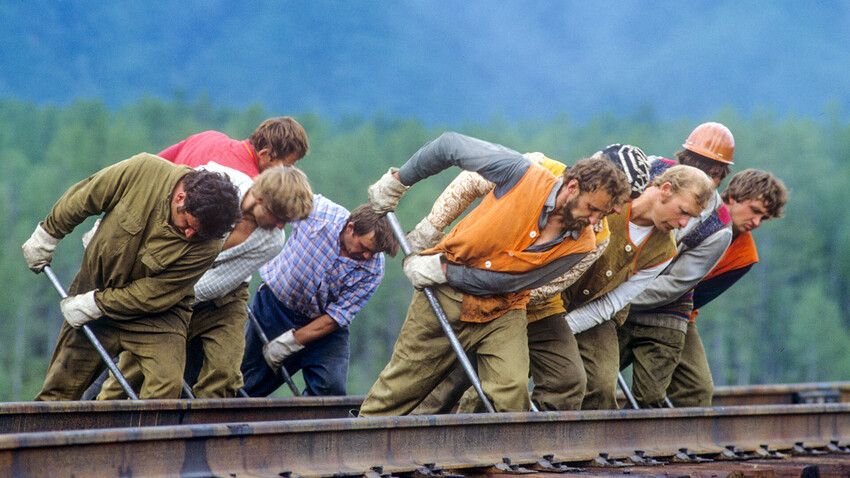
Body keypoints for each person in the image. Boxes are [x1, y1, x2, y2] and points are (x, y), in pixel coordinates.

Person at [358, 132, 631, 415]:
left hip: (504, 307)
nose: (595, 221)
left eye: (603, 215)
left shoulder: (583, 244)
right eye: (592, 209)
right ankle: (362, 440)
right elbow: (450, 146)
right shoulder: (522, 173)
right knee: (404, 383)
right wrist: (399, 180)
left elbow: (514, 281)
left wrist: (445, 271)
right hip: (444, 296)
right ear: (573, 186)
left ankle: (492, 456)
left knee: (511, 390)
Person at [22, 154, 241, 400]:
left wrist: (96, 304)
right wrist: (49, 233)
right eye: (187, 224)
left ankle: (142, 438)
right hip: (95, 291)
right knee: (59, 391)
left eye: (197, 233)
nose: (190, 235)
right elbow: (87, 196)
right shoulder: (143, 170)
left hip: (157, 317)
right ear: (181, 197)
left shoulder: (209, 243)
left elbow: (153, 293)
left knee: (165, 388)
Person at [97, 165, 314, 399]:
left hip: (224, 296)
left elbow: (217, 283)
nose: (282, 227)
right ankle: (102, 422)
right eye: (279, 218)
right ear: (261, 199)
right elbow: (159, 205)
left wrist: (168, 296)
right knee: (133, 368)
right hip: (168, 279)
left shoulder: (272, 240)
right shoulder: (218, 181)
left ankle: (202, 430)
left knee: (225, 372)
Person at [566, 164, 715, 410]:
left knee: (601, 387)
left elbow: (612, 304)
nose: (683, 223)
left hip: (598, 316)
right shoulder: (610, 203)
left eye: (691, 218)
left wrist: (564, 328)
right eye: (682, 211)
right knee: (510, 376)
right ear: (665, 190)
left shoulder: (665, 250)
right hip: (550, 300)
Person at [618, 122, 737, 408]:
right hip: (613, 298)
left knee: (680, 394)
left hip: (664, 311)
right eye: (696, 168)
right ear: (681, 162)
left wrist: (616, 299)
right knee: (592, 382)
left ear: (721, 177)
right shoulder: (648, 168)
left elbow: (675, 284)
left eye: (713, 174)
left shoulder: (719, 227)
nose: (703, 180)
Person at [240, 196, 400, 397]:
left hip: (324, 327)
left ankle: (308, 427)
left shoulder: (374, 269)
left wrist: (291, 343)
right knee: (247, 384)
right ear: (350, 227)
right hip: (274, 308)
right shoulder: (319, 214)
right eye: (364, 247)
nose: (368, 256)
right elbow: (279, 198)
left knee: (330, 388)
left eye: (374, 252)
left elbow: (337, 317)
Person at [666, 169, 787, 407]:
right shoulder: (691, 210)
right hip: (630, 296)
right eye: (754, 211)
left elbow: (695, 297)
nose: (756, 222)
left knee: (697, 388)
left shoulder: (745, 256)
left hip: (679, 310)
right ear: (732, 197)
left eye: (763, 219)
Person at [158, 116, 310, 176]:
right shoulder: (249, 185)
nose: (287, 173)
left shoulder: (208, 136)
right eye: (287, 165)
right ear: (264, 155)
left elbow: (155, 163)